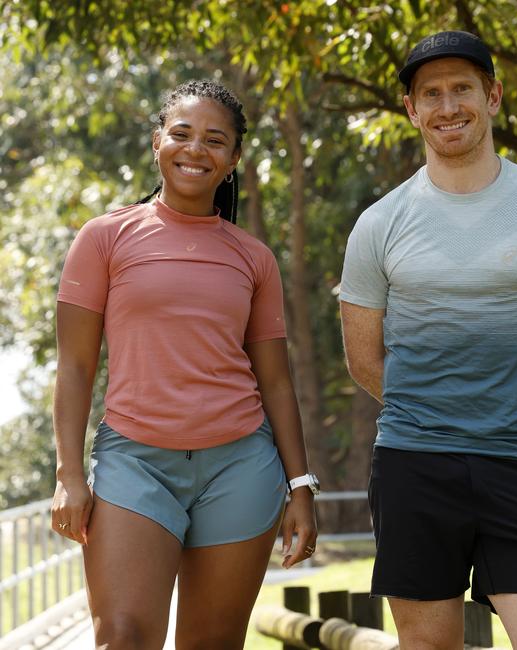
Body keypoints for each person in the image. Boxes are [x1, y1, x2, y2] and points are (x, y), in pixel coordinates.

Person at [339, 31, 517, 650]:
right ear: (411, 109)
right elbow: (363, 359)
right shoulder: (378, 223)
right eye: (430, 93)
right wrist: (436, 418)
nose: (448, 105)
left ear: (493, 96)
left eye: (462, 88)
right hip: (413, 464)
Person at [51, 79, 319, 650]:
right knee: (123, 637)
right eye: (182, 134)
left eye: (214, 140)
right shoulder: (104, 238)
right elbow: (74, 366)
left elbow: (275, 380)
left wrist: (300, 488)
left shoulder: (254, 258)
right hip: (134, 463)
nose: (196, 149)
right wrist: (69, 475)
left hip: (240, 466)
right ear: (157, 142)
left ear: (234, 158)